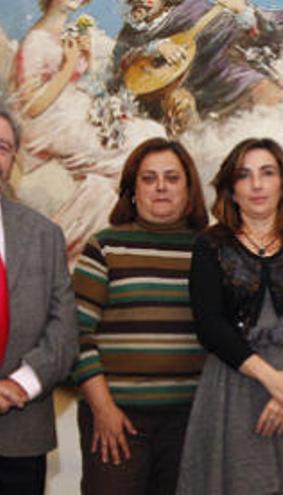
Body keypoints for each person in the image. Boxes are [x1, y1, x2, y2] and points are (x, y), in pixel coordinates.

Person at [177, 138, 283, 494]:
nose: (256, 184)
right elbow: (209, 325)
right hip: (235, 386)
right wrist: (272, 380)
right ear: (231, 189)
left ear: (282, 184)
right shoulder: (210, 246)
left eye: (267, 173)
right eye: (244, 175)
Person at [69, 138, 209, 494]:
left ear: (189, 188)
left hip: (189, 424)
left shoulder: (210, 250)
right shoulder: (104, 246)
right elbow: (75, 334)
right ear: (132, 190)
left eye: (172, 178)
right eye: (148, 178)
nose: (160, 187)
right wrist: (103, 409)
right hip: (116, 421)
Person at [9, 0, 166, 258]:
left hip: (73, 108)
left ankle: (107, 220)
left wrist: (85, 58)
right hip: (49, 123)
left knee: (152, 132)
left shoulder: (66, 33)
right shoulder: (35, 40)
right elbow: (32, 107)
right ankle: (62, 240)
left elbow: (80, 78)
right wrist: (69, 64)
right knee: (137, 153)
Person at [0, 107, 77, 493]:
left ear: (12, 160)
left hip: (20, 433)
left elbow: (63, 331)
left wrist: (19, 385)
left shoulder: (45, 235)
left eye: (2, 147)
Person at [113, 0, 283, 133]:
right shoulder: (131, 31)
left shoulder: (194, 7)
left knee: (279, 97)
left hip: (226, 76)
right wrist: (156, 47)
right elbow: (119, 64)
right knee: (180, 104)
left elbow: (246, 35)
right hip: (182, 94)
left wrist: (243, 12)